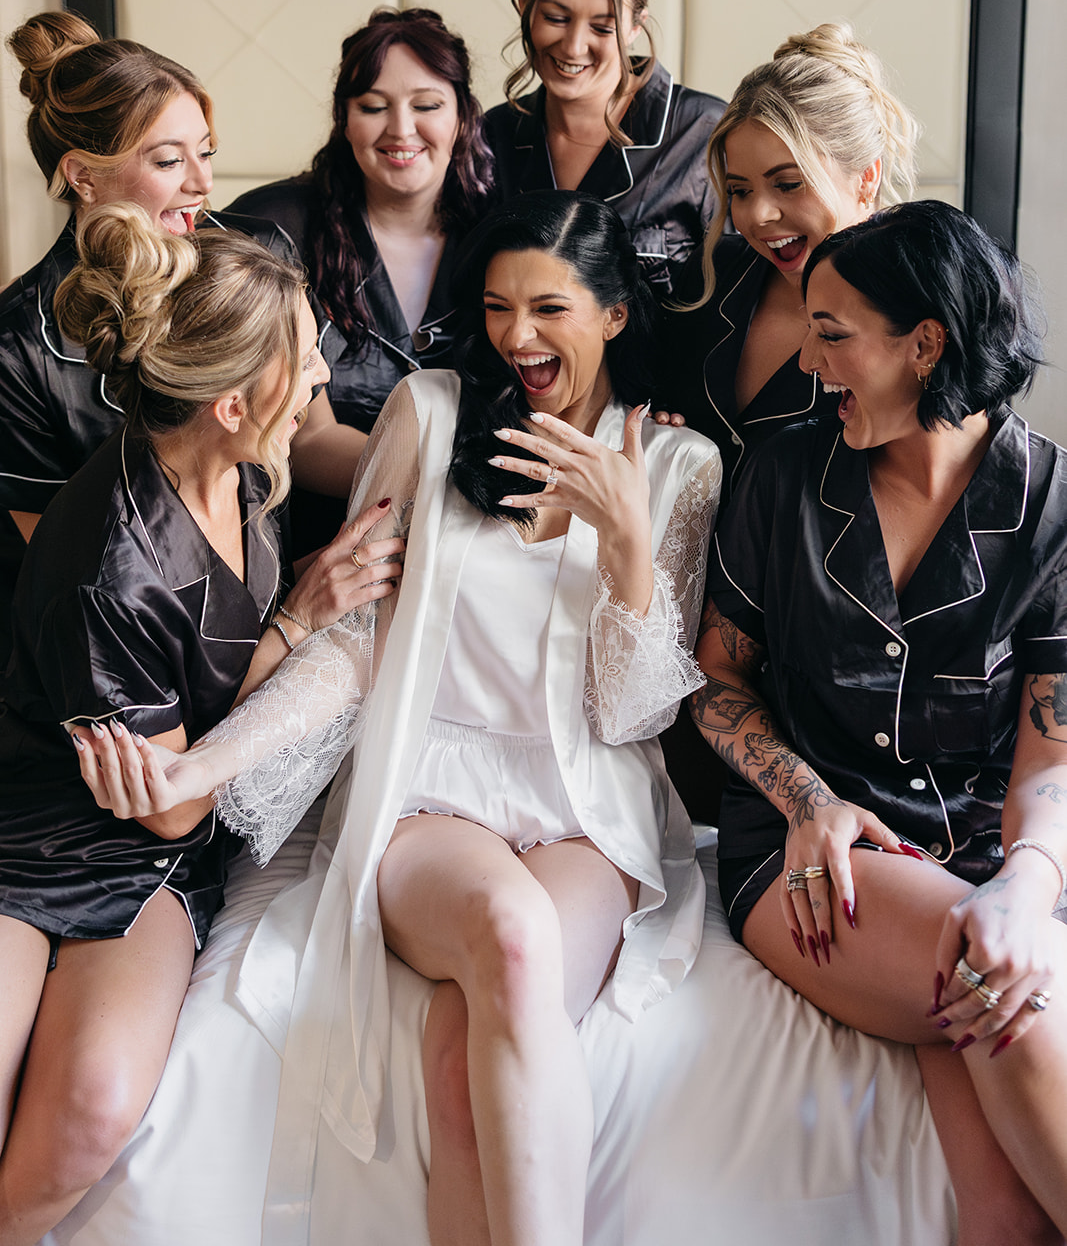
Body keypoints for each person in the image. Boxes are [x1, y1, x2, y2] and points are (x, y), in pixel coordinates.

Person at [81, 193, 722, 1246]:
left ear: (613, 315)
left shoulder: (677, 465)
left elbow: (631, 714)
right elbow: (356, 644)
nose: (517, 336)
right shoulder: (430, 414)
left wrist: (626, 541)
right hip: (432, 793)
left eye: (549, 309)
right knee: (509, 939)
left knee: (459, 1058)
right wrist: (204, 765)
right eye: (498, 307)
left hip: (585, 810)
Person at [0, 204, 403, 1246]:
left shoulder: (245, 468)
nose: (321, 376)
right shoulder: (112, 572)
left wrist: (301, 607)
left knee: (91, 1106)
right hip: (43, 832)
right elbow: (173, 809)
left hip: (153, 851)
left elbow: (199, 726)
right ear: (231, 402)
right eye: (304, 361)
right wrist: (296, 630)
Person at [696, 199, 1067, 1244]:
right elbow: (713, 679)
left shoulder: (1050, 507)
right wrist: (805, 798)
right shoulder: (780, 475)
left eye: (831, 334)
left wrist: (1026, 887)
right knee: (986, 973)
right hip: (811, 845)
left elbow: (1049, 759)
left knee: (1005, 1213)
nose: (807, 363)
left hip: (989, 847)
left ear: (924, 344)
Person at [0, 12, 362, 654]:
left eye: (206, 152)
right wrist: (291, 623)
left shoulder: (257, 257)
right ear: (82, 175)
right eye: (169, 160)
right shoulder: (17, 347)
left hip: (272, 615)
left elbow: (309, 437)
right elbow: (71, 582)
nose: (203, 183)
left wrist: (424, 471)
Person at [657, 22, 919, 500]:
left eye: (788, 184)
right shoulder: (714, 273)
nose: (757, 215)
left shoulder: (918, 312)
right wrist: (658, 431)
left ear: (866, 177)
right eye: (740, 191)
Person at [227, 6, 496, 441]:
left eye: (426, 105)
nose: (401, 129)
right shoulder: (272, 228)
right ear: (345, 121)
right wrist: (435, 475)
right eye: (373, 107)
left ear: (462, 116)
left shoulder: (502, 232)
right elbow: (300, 435)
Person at [484, 0, 725, 297]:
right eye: (555, 18)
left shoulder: (704, 133)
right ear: (524, 3)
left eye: (602, 27)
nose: (573, 46)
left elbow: (744, 298)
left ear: (635, 26)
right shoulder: (492, 136)